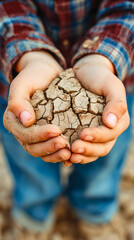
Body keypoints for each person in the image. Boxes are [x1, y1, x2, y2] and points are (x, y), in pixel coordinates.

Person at [0, 0, 134, 237]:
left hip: (112, 78)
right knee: (27, 162)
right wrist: (31, 58)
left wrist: (101, 60)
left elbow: (127, 8)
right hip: (20, 82)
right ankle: (34, 213)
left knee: (104, 160)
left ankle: (95, 211)